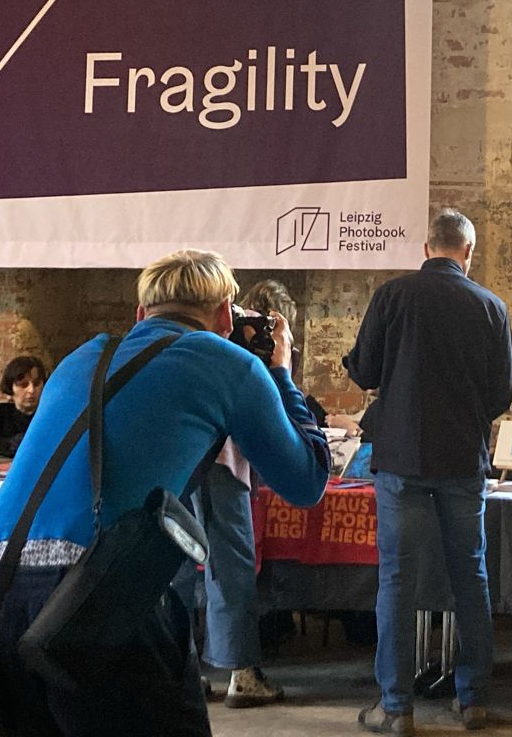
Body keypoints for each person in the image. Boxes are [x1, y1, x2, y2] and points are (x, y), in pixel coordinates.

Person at [0, 249, 329, 737]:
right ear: (225, 316)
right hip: (97, 591)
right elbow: (306, 482)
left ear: (141, 313)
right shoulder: (229, 364)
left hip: (2, 576)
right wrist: (280, 372)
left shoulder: (84, 356)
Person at [345, 209, 512, 734]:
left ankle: (396, 708)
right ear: (469, 252)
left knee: (397, 579)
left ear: (426, 248)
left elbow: (364, 371)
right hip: (463, 460)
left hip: (401, 457)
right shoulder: (491, 307)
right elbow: (503, 391)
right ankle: (473, 701)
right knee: (471, 575)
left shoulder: (392, 296)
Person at [179, 278, 302, 709]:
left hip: (182, 458)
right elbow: (269, 408)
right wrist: (281, 359)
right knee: (231, 567)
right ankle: (242, 674)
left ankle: (180, 670)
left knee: (177, 565)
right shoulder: (250, 350)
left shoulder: (202, 337)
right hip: (223, 463)